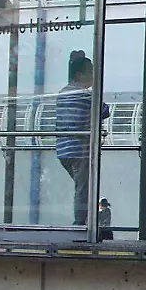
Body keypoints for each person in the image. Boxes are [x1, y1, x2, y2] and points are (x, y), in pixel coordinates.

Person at [56, 51, 110, 227]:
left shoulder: (62, 93)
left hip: (63, 150)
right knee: (83, 188)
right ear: (79, 75)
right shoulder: (85, 95)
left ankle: (85, 219)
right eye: (90, 71)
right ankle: (80, 224)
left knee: (82, 186)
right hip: (80, 149)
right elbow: (105, 111)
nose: (94, 75)